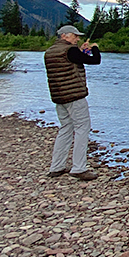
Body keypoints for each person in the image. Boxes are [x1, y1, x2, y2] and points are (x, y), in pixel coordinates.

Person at [44, 25, 102, 180]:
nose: (77, 39)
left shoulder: (50, 52)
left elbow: (70, 64)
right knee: (83, 128)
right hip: (74, 96)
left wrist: (81, 51)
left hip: (59, 97)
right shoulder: (69, 51)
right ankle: (79, 168)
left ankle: (56, 167)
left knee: (65, 128)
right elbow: (95, 61)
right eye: (75, 36)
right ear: (64, 36)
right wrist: (94, 48)